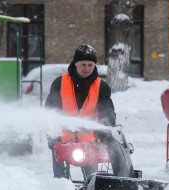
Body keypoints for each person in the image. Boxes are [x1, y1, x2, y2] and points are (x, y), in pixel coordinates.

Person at [45, 44, 116, 180]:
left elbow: (107, 111)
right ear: (75, 64)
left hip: (90, 142)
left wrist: (107, 130)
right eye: (83, 64)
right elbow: (50, 111)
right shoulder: (60, 83)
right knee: (60, 182)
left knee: (93, 181)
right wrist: (52, 136)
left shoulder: (101, 86)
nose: (87, 68)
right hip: (62, 140)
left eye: (90, 65)